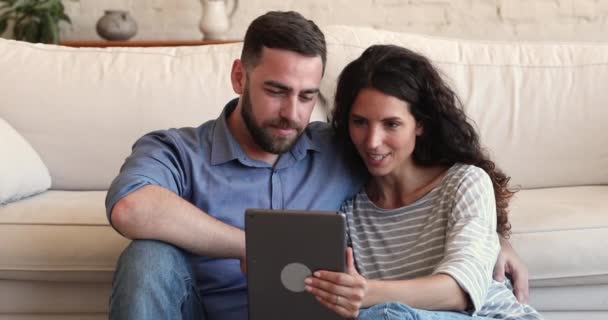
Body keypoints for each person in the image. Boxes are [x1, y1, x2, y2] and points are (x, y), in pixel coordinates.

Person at [105, 11, 530, 320]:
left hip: (317, 315)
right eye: (276, 91)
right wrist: (252, 246)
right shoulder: (179, 150)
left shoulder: (340, 147)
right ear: (239, 78)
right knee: (146, 257)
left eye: (307, 96)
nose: (292, 113)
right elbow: (131, 208)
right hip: (211, 312)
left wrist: (494, 236)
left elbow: (432, 175)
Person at [304, 45, 542, 320]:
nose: (372, 141)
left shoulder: (464, 182)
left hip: (489, 317)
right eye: (360, 122)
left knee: (387, 315)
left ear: (420, 124)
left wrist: (367, 293)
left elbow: (461, 291)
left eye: (391, 124)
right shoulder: (348, 206)